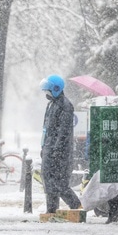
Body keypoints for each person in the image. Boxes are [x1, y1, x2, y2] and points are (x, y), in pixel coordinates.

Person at [40, 74, 81, 213]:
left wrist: (56, 150)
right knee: (48, 182)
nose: (46, 94)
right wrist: (43, 146)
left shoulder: (65, 106)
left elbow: (63, 132)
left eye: (48, 91)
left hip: (60, 152)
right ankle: (51, 210)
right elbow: (46, 129)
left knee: (60, 184)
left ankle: (77, 207)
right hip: (48, 149)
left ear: (56, 89)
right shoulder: (51, 104)